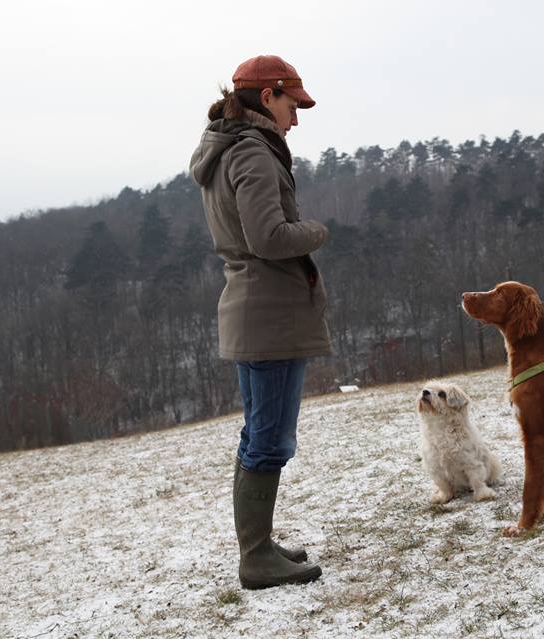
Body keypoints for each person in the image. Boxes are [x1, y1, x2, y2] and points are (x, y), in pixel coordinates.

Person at [189, 54, 332, 589]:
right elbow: (268, 238)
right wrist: (316, 231)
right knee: (268, 440)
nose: (296, 118)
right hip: (269, 315)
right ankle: (255, 558)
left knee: (258, 434)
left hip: (255, 311)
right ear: (268, 96)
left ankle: (259, 546)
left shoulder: (228, 147)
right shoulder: (252, 151)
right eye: (293, 105)